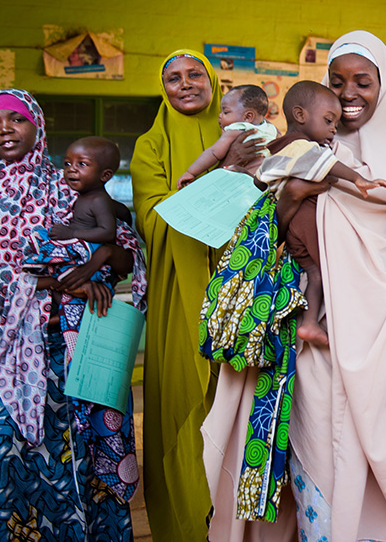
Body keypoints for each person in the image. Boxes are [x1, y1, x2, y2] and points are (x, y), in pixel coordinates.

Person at [204, 31, 386, 541]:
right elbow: (266, 235)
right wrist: (290, 196)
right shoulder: (309, 149)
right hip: (316, 344)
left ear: (384, 86)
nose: (348, 94)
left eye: (362, 82)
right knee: (322, 460)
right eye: (337, 81)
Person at [0, 89, 145, 541]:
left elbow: (124, 251)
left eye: (17, 119)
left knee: (80, 454)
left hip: (77, 346)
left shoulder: (69, 187)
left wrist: (97, 265)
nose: (5, 130)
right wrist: (60, 282)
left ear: (37, 127)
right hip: (16, 352)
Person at [131, 50, 276, 542]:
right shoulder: (151, 145)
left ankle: (240, 527)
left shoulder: (251, 134)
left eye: (195, 74)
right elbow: (154, 220)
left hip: (243, 286)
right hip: (182, 290)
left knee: (243, 403)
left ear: (213, 82)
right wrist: (224, 173)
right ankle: (188, 523)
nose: (185, 84)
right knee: (185, 400)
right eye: (173, 77)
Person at [258, 80, 386, 346]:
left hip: (292, 229)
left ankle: (309, 325)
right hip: (306, 220)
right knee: (336, 270)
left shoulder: (278, 148)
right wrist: (358, 179)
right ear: (300, 115)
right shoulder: (301, 146)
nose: (333, 130)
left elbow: (259, 181)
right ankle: (347, 325)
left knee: (316, 274)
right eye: (329, 121)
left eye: (336, 124)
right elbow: (327, 164)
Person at [177, 83, 279, 188]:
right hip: (266, 183)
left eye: (225, 112)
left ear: (248, 116)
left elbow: (213, 152)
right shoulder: (271, 129)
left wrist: (191, 172)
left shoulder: (236, 130)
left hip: (241, 184)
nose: (220, 115)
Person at [48, 136, 125, 244]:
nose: (71, 169)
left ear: (105, 175)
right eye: (67, 163)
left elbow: (108, 233)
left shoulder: (98, 200)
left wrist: (72, 233)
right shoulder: (83, 195)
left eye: (82, 164)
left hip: (92, 248)